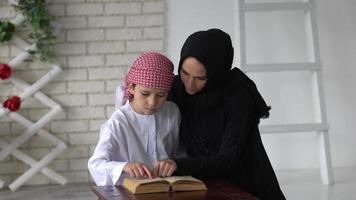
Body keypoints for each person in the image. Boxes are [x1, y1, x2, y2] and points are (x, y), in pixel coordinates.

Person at [168, 29, 286, 200]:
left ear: (216, 73)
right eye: (185, 73)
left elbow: (228, 160)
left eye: (200, 78)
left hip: (246, 187)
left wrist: (177, 165)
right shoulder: (177, 88)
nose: (190, 84)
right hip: (203, 186)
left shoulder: (238, 96)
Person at [88, 52, 181, 186]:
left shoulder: (172, 112)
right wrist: (125, 166)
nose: (152, 103)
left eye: (161, 95)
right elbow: (95, 164)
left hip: (165, 188)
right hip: (127, 191)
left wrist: (172, 163)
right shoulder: (118, 122)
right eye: (145, 94)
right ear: (131, 87)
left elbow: (177, 151)